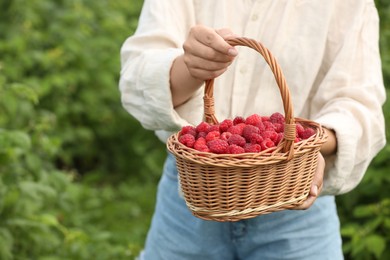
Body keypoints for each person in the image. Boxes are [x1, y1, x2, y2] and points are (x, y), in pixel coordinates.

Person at [119, 1, 386, 259]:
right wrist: (189, 68)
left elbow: (357, 103)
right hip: (193, 193)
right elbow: (136, 79)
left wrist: (311, 147)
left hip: (293, 195)